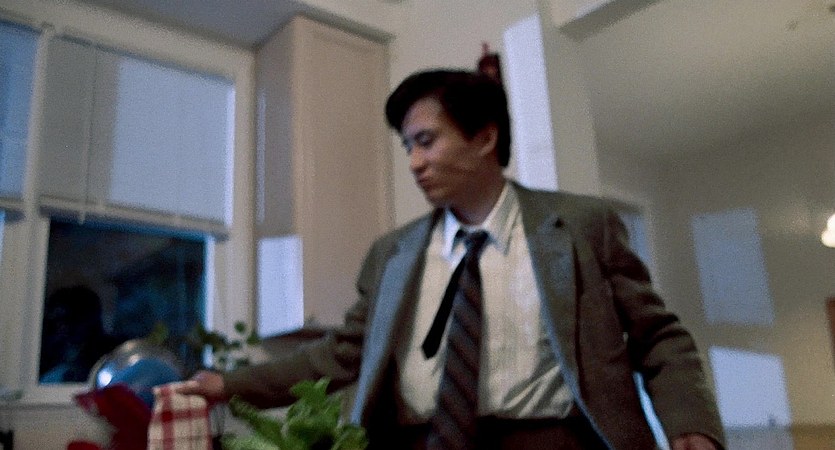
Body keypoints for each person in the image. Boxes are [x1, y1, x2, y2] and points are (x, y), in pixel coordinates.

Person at [180, 69, 726, 450]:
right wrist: (228, 386)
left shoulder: (583, 226)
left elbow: (658, 336)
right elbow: (341, 355)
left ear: (485, 138)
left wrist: (691, 423)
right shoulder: (392, 255)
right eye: (407, 147)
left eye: (426, 141)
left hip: (554, 440)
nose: (414, 163)